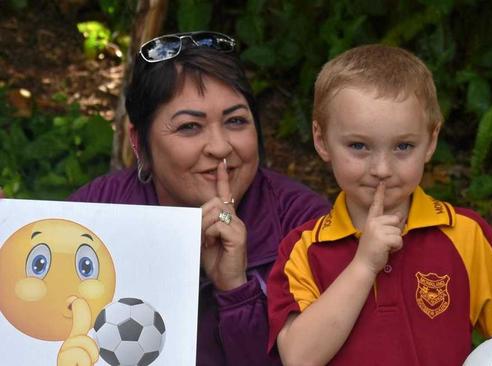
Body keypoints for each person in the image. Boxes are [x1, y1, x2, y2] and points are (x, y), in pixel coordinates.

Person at [265, 45, 492, 365]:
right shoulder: (304, 249)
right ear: (321, 140)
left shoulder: (463, 234)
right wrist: (364, 264)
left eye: (403, 146)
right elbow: (299, 356)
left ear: (431, 140)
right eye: (359, 146)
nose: (381, 169)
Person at [66, 31, 330, 365]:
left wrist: (235, 290)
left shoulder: (304, 225)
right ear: (139, 142)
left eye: (236, 121)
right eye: (190, 127)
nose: (220, 147)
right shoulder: (94, 213)